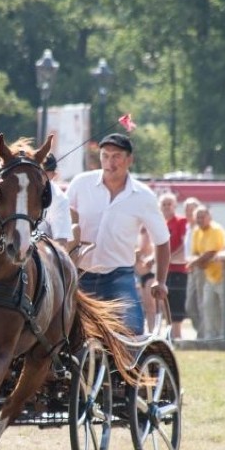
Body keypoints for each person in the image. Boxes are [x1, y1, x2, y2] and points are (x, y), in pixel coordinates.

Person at [66, 133, 170, 335]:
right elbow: (63, 220)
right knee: (63, 333)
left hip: (118, 276)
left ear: (129, 159)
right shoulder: (80, 184)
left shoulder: (143, 196)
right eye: (105, 156)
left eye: (116, 156)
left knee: (132, 329)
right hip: (78, 274)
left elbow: (162, 240)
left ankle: (126, 366)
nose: (109, 162)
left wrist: (161, 281)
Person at [187, 205, 225, 339]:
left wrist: (196, 262)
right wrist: (198, 261)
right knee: (207, 306)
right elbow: (196, 253)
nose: (199, 220)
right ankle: (208, 335)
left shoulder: (215, 230)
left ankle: (223, 335)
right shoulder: (196, 231)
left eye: (202, 217)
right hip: (208, 275)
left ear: (209, 217)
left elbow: (211, 252)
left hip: (222, 274)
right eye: (197, 217)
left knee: (222, 307)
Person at [159, 193, 188, 338]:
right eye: (164, 204)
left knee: (176, 304)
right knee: (166, 303)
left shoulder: (181, 221)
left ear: (175, 206)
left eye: (169, 203)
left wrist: (170, 258)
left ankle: (177, 336)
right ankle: (170, 335)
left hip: (179, 269)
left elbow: (185, 244)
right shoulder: (161, 223)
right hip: (165, 270)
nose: (166, 207)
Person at [37, 153, 73, 248]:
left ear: (53, 175)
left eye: (44, 172)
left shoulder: (59, 200)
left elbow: (61, 241)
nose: (38, 175)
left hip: (41, 252)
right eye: (36, 170)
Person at [182, 197, 203, 337]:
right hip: (190, 269)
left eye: (192, 209)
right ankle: (201, 332)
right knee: (190, 305)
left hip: (200, 269)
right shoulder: (188, 228)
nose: (189, 212)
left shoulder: (201, 229)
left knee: (201, 303)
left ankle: (204, 334)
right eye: (187, 210)